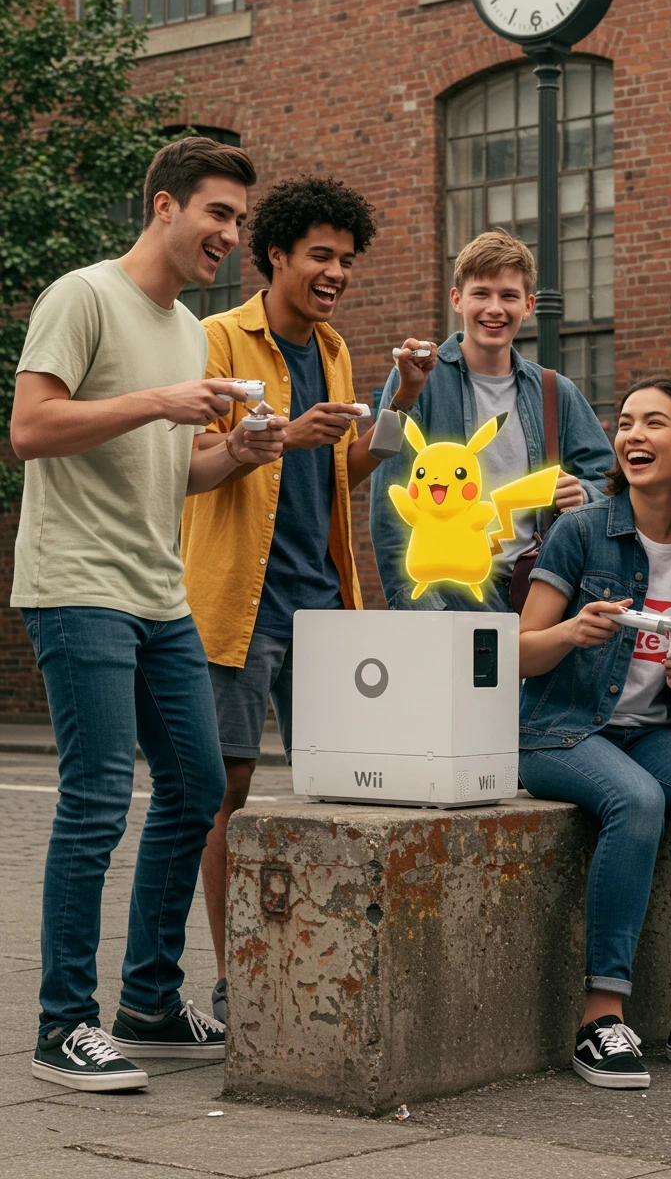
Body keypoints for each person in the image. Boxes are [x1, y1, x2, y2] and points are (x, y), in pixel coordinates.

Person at [10, 137, 287, 1091]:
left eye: (241, 223)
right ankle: (61, 1027)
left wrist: (238, 453)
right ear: (164, 206)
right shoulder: (82, 296)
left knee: (198, 787)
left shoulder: (187, 328)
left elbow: (179, 472)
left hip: (157, 592)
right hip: (77, 585)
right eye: (219, 214)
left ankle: (151, 1002)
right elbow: (30, 429)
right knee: (93, 803)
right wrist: (158, 402)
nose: (231, 237)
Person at [180, 175, 436, 1022]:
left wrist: (399, 399)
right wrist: (286, 434)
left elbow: (346, 472)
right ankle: (229, 976)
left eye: (347, 261)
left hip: (323, 596)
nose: (336, 273)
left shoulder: (331, 349)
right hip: (238, 597)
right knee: (230, 784)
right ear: (277, 256)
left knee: (341, 781)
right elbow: (193, 465)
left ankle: (323, 967)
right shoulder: (216, 339)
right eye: (320, 256)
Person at [518, 377, 671, 1089]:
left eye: (654, 423)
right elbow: (518, 651)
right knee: (639, 802)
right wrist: (572, 630)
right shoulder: (584, 529)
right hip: (558, 731)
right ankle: (602, 1018)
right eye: (624, 423)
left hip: (653, 730)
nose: (632, 435)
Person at [370, 229, 613, 611]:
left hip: (539, 592)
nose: (495, 308)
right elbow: (389, 508)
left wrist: (584, 492)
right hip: (450, 594)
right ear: (457, 300)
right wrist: (420, 610)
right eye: (481, 293)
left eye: (509, 296)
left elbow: (610, 479)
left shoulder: (556, 391)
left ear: (529, 305)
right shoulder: (420, 379)